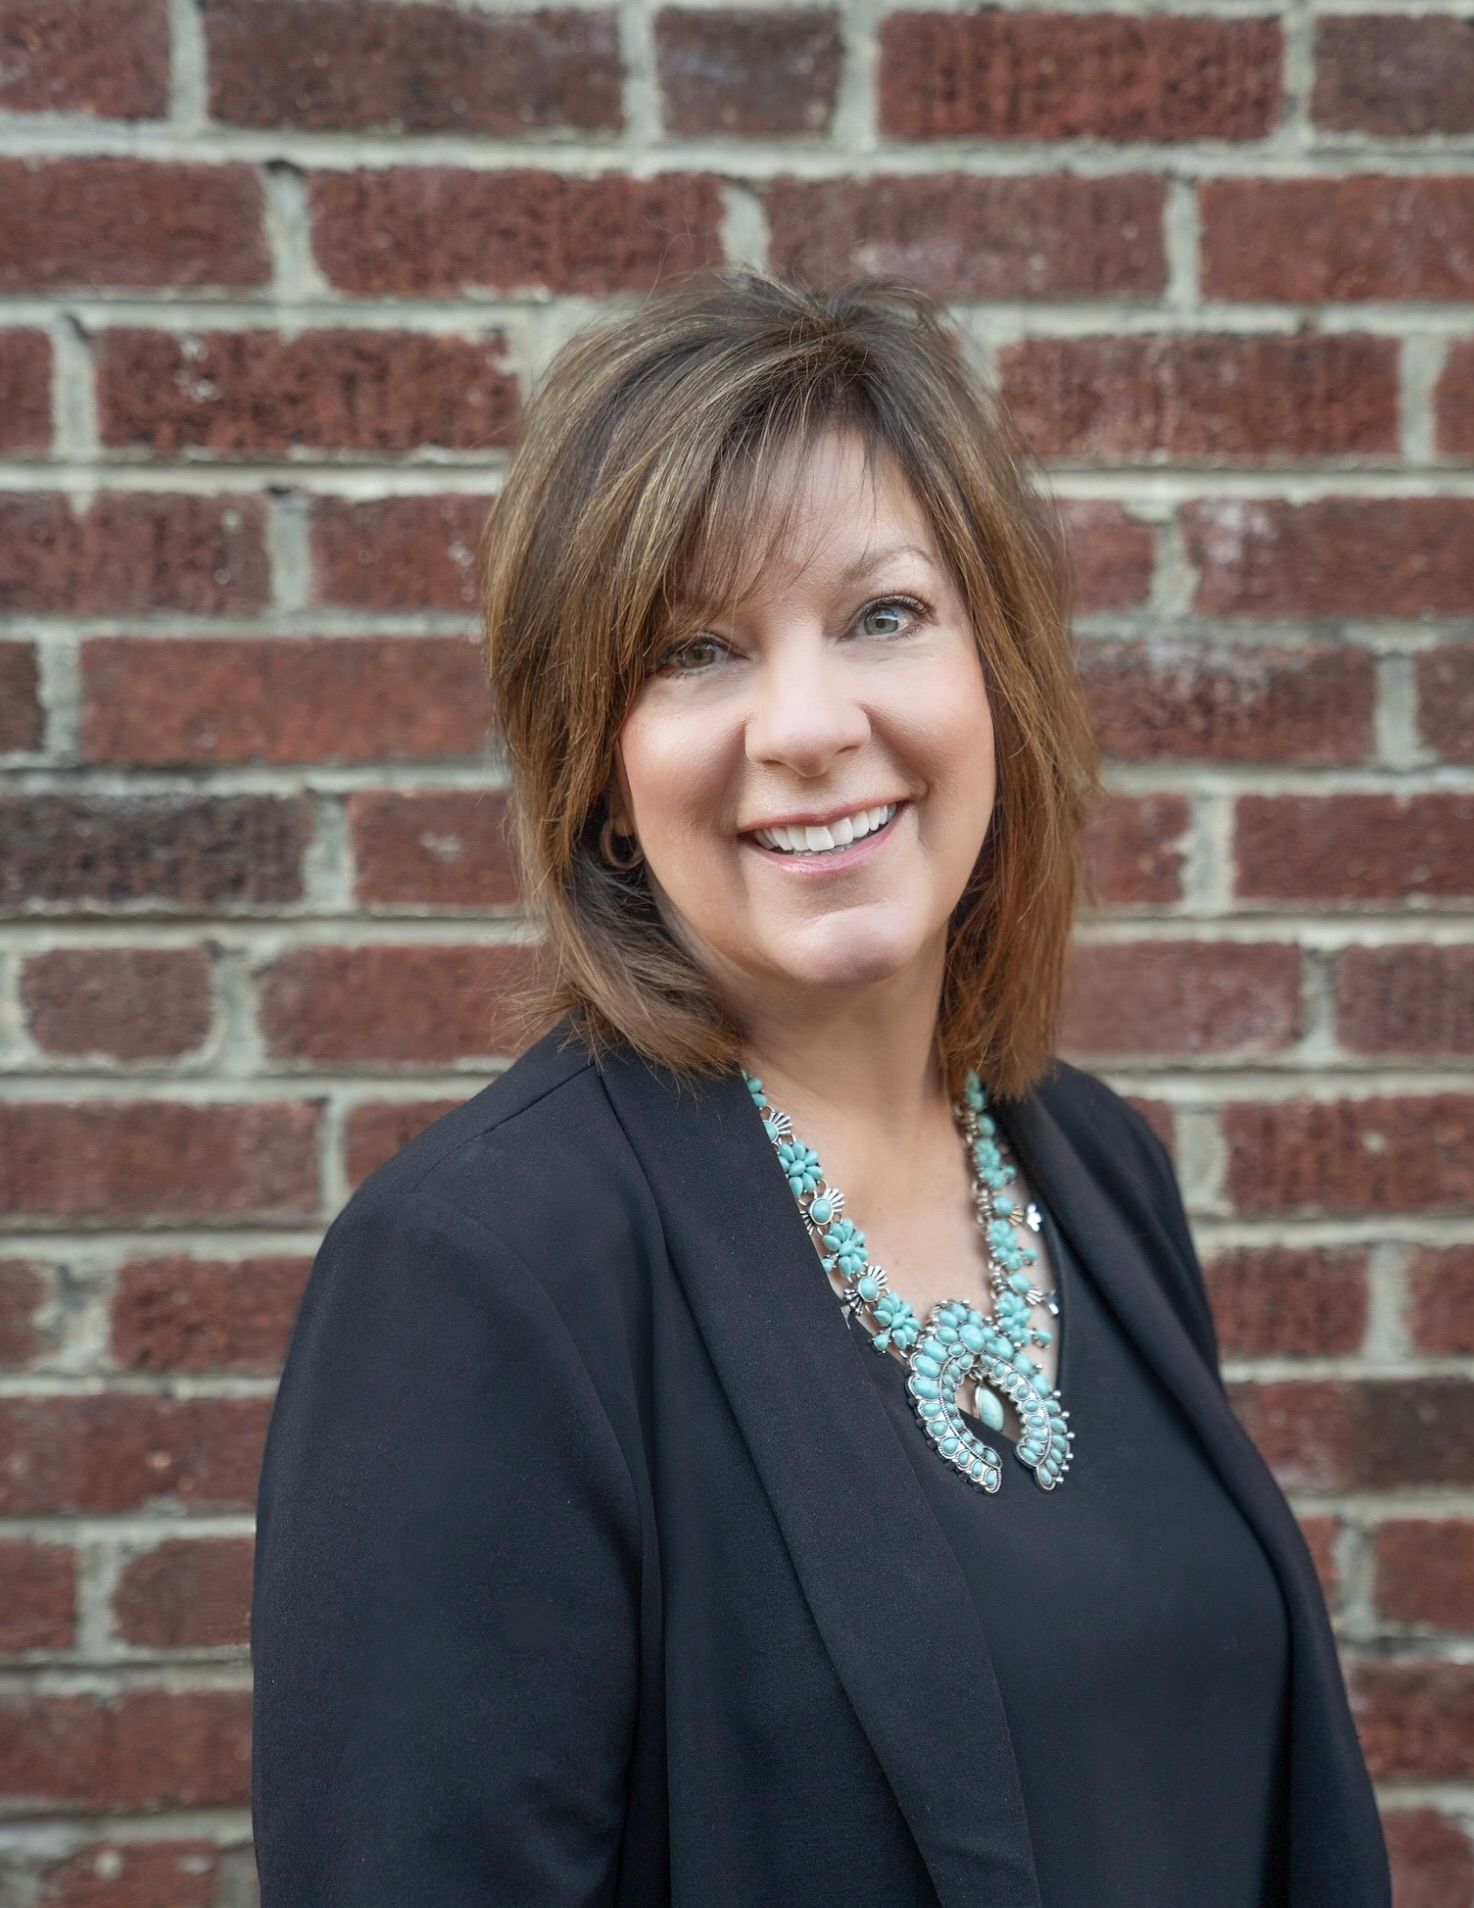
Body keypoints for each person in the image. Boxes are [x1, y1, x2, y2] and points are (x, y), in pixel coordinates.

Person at [249, 266, 1392, 1906]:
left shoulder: (1097, 1172)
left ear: (995, 670)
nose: (805, 725)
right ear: (601, 771)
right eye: (695, 650)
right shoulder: (476, 1276)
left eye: (882, 616)